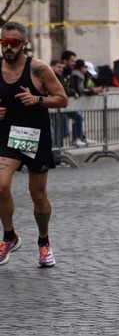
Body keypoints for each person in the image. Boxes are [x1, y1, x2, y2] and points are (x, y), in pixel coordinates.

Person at [0, 21, 68, 267]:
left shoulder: (39, 69)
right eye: (4, 42)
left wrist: (37, 99)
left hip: (35, 138)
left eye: (14, 43)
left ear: (24, 44)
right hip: (8, 137)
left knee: (38, 195)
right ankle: (9, 236)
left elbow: (62, 99)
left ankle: (44, 241)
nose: (8, 47)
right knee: (1, 186)